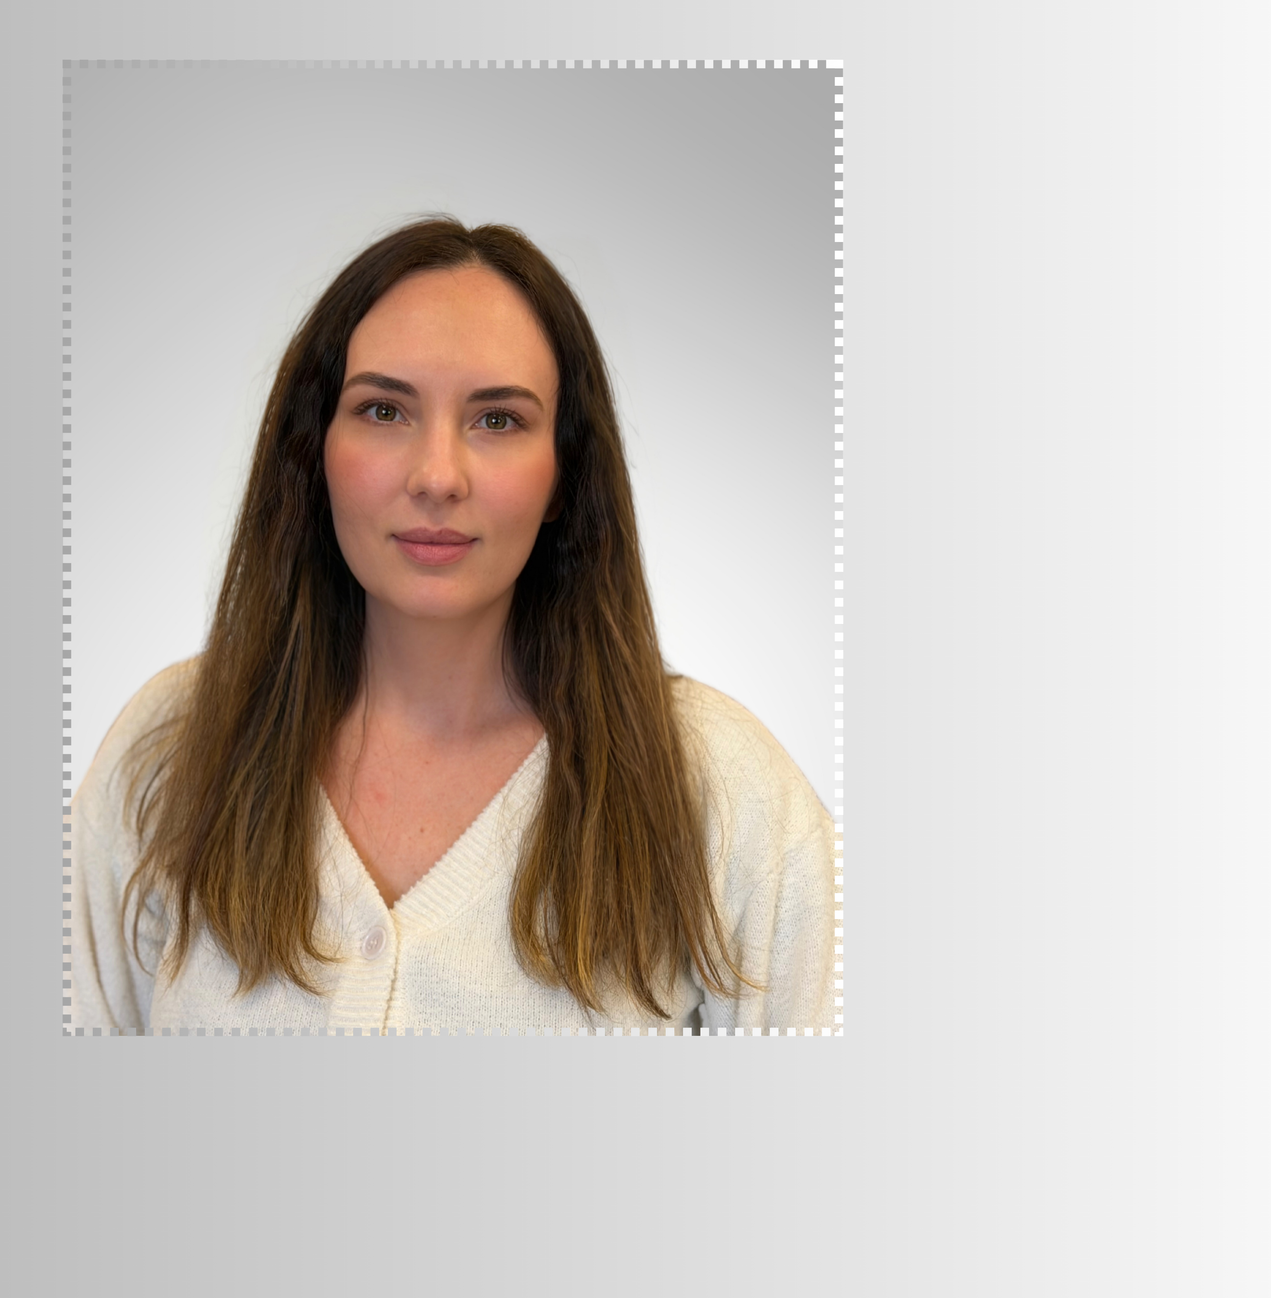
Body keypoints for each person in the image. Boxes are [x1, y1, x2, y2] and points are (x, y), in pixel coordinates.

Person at [69, 217, 837, 1035]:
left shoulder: (721, 789)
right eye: (384, 410)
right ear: (313, 451)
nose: (438, 477)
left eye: (497, 420)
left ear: (565, 475)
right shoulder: (172, 750)